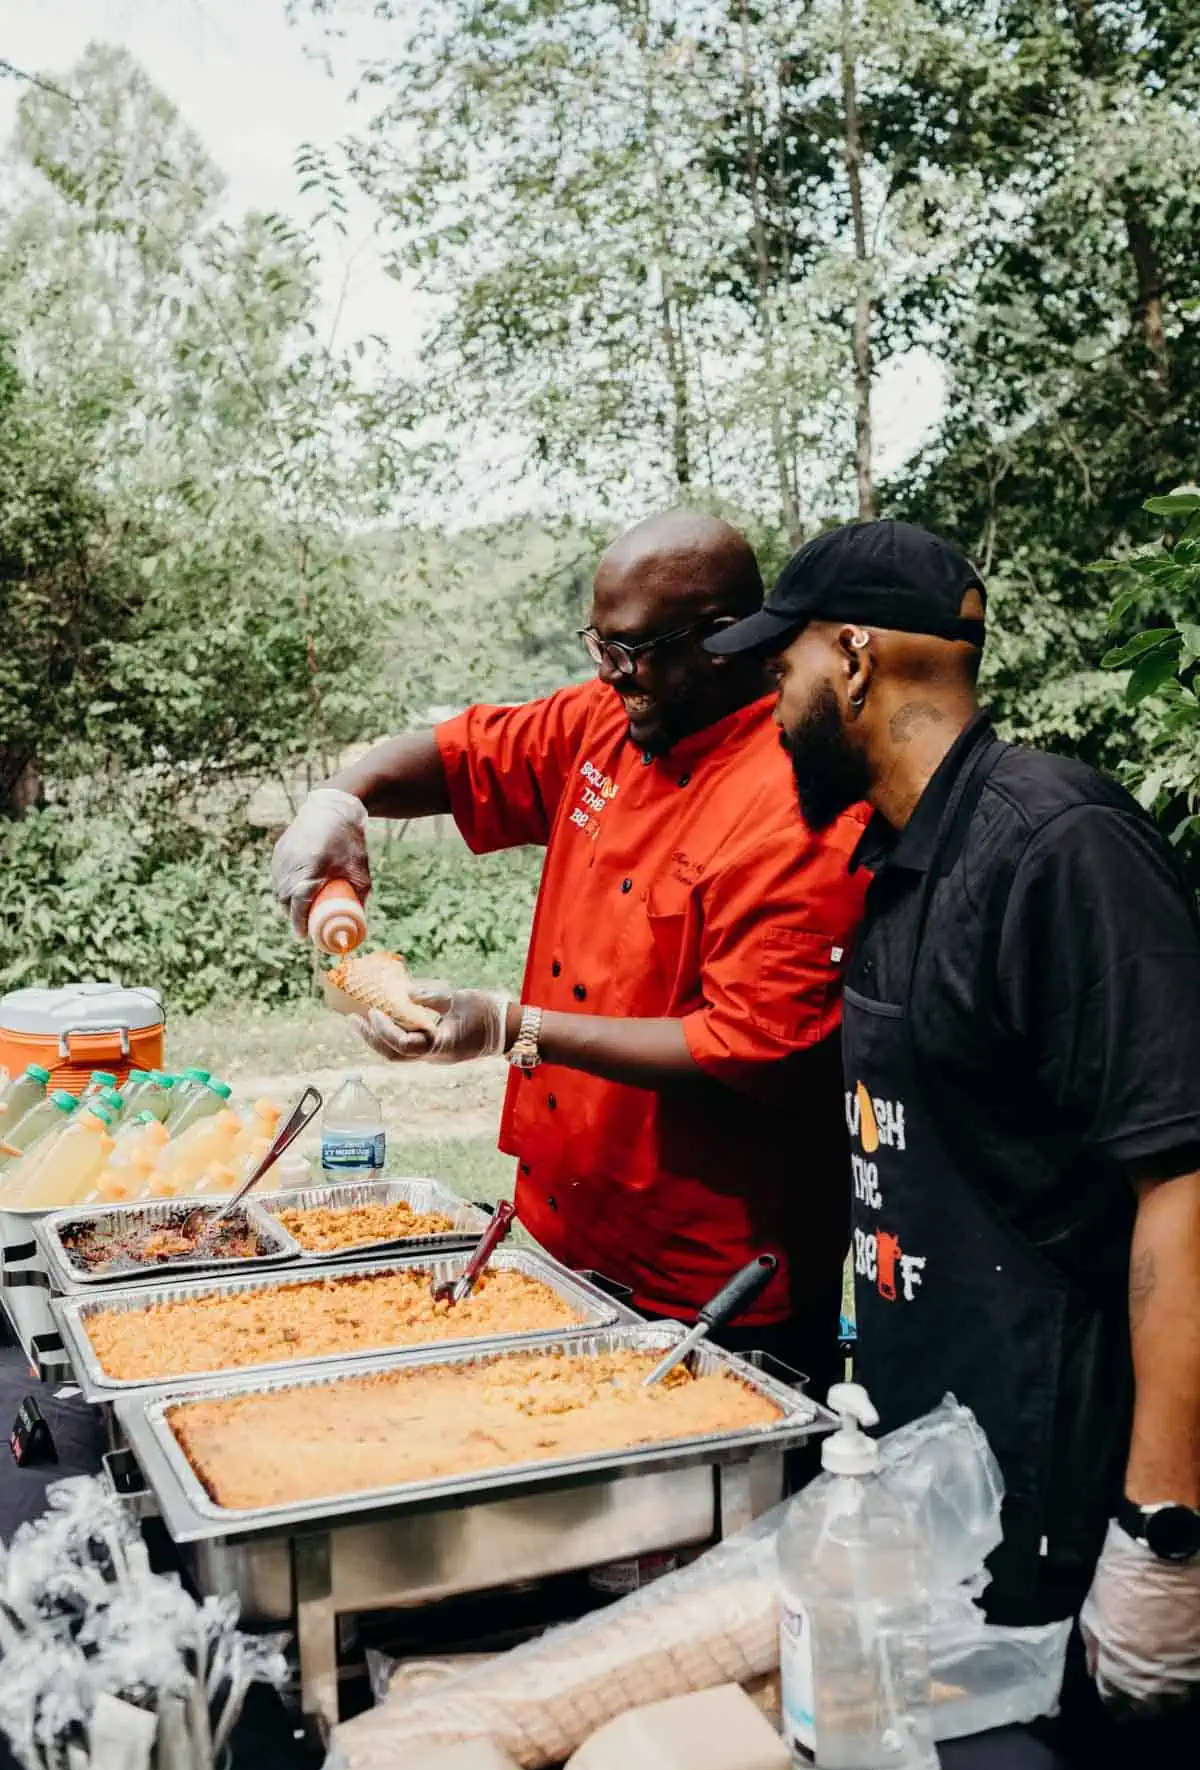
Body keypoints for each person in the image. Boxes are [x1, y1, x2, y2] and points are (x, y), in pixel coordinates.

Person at [705, 519, 1200, 1770]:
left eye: (785, 669)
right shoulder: (898, 858)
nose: (773, 704)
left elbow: (1184, 1184)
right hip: (940, 1484)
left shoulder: (1057, 846)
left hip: (1067, 1493)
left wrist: (1163, 1538)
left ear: (856, 658)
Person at [272, 512, 868, 1386]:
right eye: (600, 645)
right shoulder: (613, 718)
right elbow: (461, 755)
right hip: (556, 1227)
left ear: (719, 639)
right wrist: (341, 800)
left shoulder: (802, 806)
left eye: (631, 653)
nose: (607, 674)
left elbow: (743, 1047)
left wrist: (508, 1027)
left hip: (711, 1277)